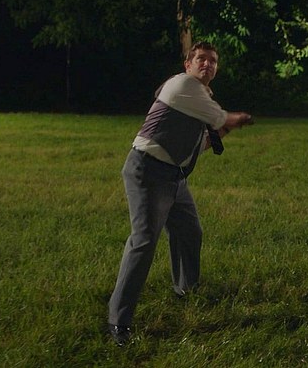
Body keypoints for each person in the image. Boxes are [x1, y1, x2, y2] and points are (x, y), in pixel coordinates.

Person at [108, 42, 254, 346]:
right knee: (143, 242)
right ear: (188, 65)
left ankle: (186, 289)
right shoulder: (184, 85)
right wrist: (236, 119)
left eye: (213, 61)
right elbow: (221, 118)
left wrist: (225, 129)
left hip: (174, 177)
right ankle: (118, 320)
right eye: (201, 59)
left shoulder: (199, 100)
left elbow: (202, 144)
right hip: (149, 171)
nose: (207, 64)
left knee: (189, 231)